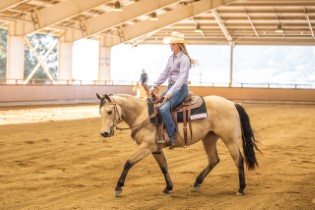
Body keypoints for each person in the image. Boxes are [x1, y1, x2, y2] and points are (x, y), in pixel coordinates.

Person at [149, 31, 194, 148]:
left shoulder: (184, 59)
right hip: (171, 87)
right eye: (171, 44)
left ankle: (172, 137)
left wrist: (170, 92)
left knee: (163, 109)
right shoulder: (171, 58)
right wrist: (154, 86)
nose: (171, 46)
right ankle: (160, 133)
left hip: (180, 89)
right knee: (154, 103)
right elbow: (165, 73)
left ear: (179, 45)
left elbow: (181, 78)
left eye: (173, 44)